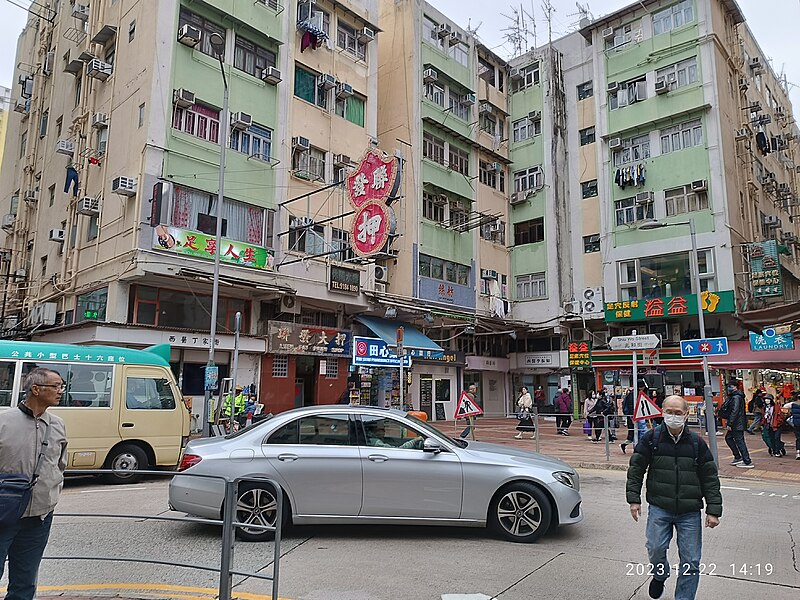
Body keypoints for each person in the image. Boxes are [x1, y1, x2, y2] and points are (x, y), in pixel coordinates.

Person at [626, 395, 722, 600]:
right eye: (669, 412)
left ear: (687, 414)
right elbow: (636, 469)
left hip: (689, 512)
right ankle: (660, 575)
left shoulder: (696, 443)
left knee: (691, 561)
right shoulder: (651, 438)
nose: (673, 416)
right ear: (662, 411)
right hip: (660, 507)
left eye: (678, 413)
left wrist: (713, 510)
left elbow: (710, 477)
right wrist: (634, 499)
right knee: (655, 547)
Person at [0, 368, 69, 600]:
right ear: (36, 389)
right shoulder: (3, 422)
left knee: (25, 581)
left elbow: (60, 465)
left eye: (62, 386)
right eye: (56, 386)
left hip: (39, 518)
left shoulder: (58, 424)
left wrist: (51, 497)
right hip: (3, 514)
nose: (61, 391)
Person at [721, 378, 754, 468]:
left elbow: (734, 411)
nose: (729, 388)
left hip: (736, 424)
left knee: (739, 441)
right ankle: (738, 457)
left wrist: (730, 423)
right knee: (729, 438)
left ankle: (747, 461)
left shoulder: (736, 398)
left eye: (731, 386)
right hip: (737, 423)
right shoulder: (736, 397)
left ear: (735, 387)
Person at [783, 393, 800, 460]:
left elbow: (784, 407)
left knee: (798, 438)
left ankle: (798, 452)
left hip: (796, 423)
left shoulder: (792, 404)